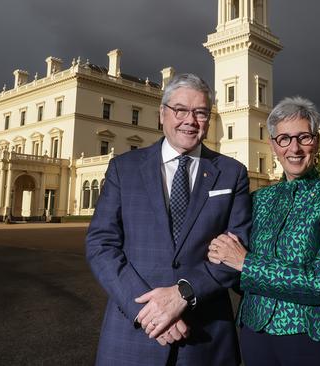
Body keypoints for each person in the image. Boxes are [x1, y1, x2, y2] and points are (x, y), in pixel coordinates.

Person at [86, 73, 251, 366]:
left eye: (200, 112)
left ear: (209, 119)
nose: (190, 120)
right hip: (135, 331)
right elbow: (101, 245)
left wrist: (185, 293)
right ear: (162, 113)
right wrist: (151, 311)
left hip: (205, 336)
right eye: (180, 110)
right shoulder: (124, 168)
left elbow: (237, 250)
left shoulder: (232, 173)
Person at [208, 96, 320, 366]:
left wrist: (247, 263)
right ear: (273, 145)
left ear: (317, 141)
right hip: (257, 332)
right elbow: (233, 271)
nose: (295, 148)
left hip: (317, 336)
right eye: (284, 139)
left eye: (304, 137)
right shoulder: (258, 200)